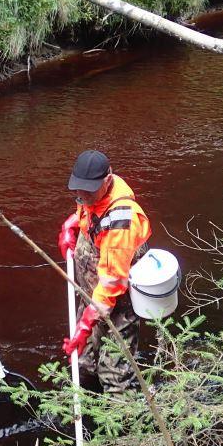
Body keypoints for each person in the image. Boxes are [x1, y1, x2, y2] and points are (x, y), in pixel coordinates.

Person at [58, 150, 151, 394]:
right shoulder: (92, 196)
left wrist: (86, 324)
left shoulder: (121, 219)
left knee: (115, 376)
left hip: (118, 304)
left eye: (88, 191)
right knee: (82, 363)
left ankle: (124, 425)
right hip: (91, 297)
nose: (82, 196)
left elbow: (112, 282)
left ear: (107, 181)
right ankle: (87, 411)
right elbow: (87, 212)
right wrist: (70, 226)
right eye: (78, 190)